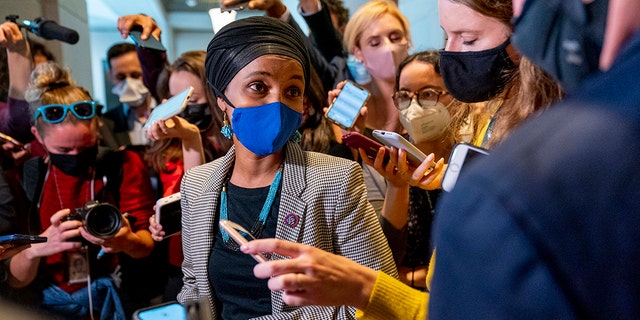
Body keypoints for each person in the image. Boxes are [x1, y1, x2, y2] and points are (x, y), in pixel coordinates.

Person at [429, 0, 640, 318]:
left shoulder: (503, 199)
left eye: (469, 39)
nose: (451, 54)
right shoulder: (490, 120)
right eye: (445, 36)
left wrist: (368, 289)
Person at [177, 16, 396, 319]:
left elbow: (380, 295)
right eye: (258, 86)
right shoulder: (196, 185)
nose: (277, 102)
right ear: (222, 100)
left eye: (292, 91)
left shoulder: (335, 179)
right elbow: (193, 285)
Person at [5, 62, 155, 319]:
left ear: (97, 130)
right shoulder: (26, 177)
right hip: (45, 304)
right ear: (38, 137)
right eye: (63, 151)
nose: (75, 156)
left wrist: (123, 241)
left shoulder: (122, 165)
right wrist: (40, 246)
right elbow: (15, 280)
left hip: (114, 296)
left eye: (86, 147)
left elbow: (146, 247)